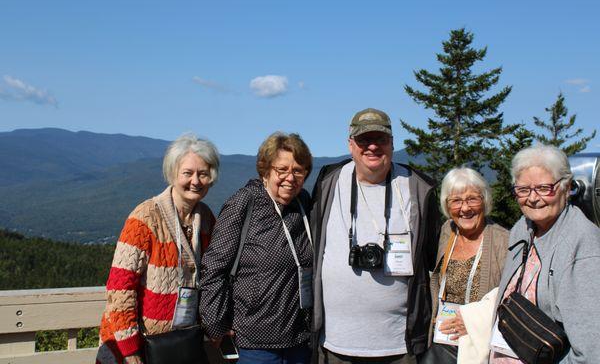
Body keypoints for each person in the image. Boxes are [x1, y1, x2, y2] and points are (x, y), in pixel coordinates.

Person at [310, 108, 440, 363]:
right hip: (336, 343)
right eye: (363, 140)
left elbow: (433, 254)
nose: (372, 146)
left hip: (400, 346)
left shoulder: (418, 186)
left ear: (392, 143)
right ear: (350, 145)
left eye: (380, 139)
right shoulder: (328, 181)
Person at [96, 134, 220, 364]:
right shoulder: (145, 218)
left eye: (203, 174)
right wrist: (130, 349)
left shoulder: (206, 219)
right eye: (188, 173)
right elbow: (120, 288)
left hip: (178, 344)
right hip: (134, 345)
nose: (196, 181)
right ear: (173, 174)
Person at [200, 132, 314, 364]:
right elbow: (213, 267)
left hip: (300, 341)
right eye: (282, 169)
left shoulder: (303, 203)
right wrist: (216, 325)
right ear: (265, 170)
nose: (290, 178)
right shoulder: (245, 202)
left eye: (298, 171)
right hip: (254, 345)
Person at [490, 144, 600, 362]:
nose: (532, 198)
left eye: (543, 188)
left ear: (567, 187)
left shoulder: (582, 244)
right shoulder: (523, 226)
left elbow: (591, 351)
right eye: (523, 190)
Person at [423, 168, 509, 363]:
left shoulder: (503, 241)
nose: (465, 208)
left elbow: (511, 297)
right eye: (456, 201)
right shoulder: (447, 231)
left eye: (472, 199)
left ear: (484, 200)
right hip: (442, 343)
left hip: (480, 346)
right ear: (447, 205)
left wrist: (473, 322)